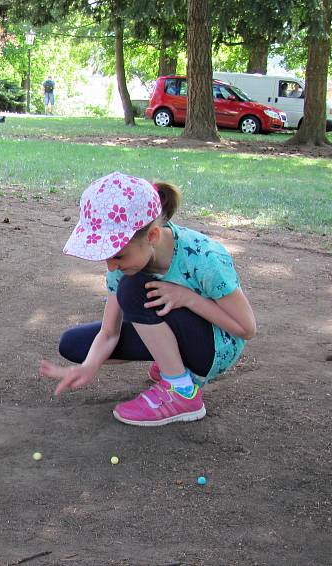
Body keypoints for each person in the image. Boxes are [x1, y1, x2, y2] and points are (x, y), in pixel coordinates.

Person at [39, 172, 256, 426]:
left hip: (215, 347)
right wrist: (88, 367)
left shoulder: (205, 258)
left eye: (117, 255)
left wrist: (187, 298)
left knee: (132, 290)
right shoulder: (126, 264)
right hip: (178, 334)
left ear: (152, 236)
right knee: (73, 344)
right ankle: (174, 366)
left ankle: (181, 392)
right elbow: (109, 333)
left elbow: (246, 329)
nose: (111, 267)